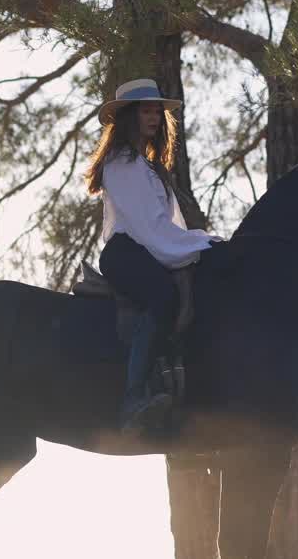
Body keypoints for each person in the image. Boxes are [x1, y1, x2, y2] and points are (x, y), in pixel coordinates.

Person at [85, 78, 217, 431]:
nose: (155, 116)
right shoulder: (123, 163)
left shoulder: (146, 166)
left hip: (146, 247)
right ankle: (133, 397)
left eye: (158, 110)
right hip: (127, 252)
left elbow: (165, 228)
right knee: (162, 295)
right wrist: (201, 244)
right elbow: (150, 229)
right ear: (129, 116)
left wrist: (199, 242)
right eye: (146, 109)